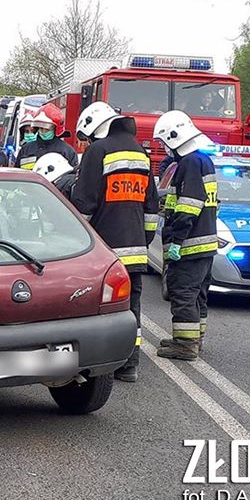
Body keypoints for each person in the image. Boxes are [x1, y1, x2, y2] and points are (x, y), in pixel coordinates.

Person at [71, 102, 159, 382]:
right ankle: (130, 364)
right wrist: (143, 240)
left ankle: (98, 362)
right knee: (131, 308)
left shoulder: (98, 151)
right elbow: (151, 205)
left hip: (103, 251)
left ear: (93, 129)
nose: (87, 143)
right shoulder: (140, 151)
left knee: (98, 307)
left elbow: (84, 202)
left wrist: (73, 238)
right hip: (136, 248)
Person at [153, 110, 218, 360]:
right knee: (198, 293)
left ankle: (185, 344)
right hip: (205, 242)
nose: (164, 147)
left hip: (189, 243)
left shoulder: (189, 163)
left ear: (174, 137)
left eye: (163, 142)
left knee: (183, 292)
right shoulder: (204, 160)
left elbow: (189, 205)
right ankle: (195, 339)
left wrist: (177, 241)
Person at [16, 104, 78, 171]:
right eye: (41, 128)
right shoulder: (26, 150)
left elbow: (73, 175)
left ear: (55, 129)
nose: (43, 131)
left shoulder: (67, 151)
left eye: (47, 129)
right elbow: (17, 172)